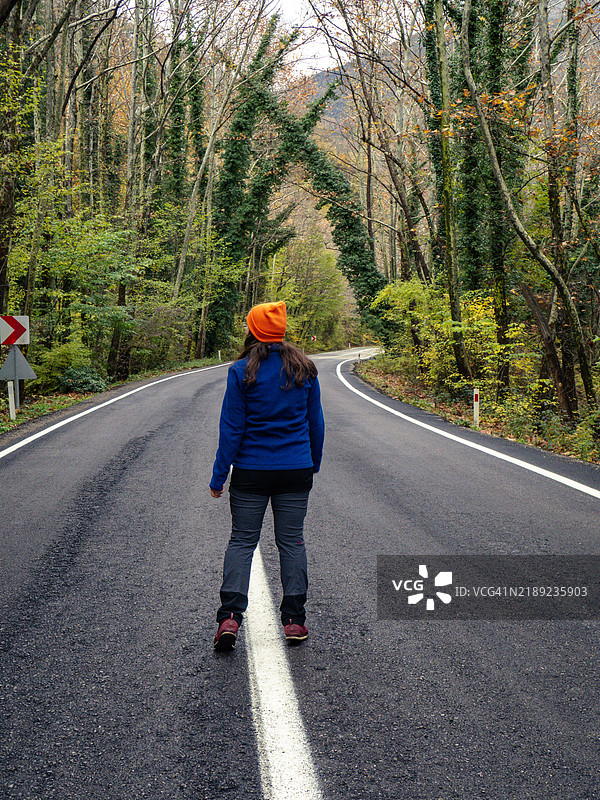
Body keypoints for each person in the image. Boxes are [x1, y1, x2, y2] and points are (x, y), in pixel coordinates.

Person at [210, 301, 324, 651]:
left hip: (252, 471)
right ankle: (294, 621)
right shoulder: (304, 368)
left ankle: (230, 617)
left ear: (253, 330)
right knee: (292, 542)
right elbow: (316, 423)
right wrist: (312, 463)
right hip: (295, 469)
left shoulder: (242, 370)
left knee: (242, 541)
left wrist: (219, 476)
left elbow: (232, 428)